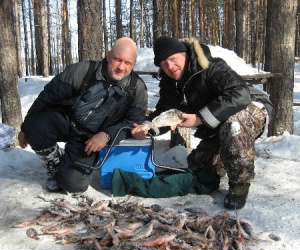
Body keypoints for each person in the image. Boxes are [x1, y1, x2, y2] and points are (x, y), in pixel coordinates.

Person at [132, 36, 272, 210]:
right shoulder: (170, 84)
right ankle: (226, 155)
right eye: (164, 63)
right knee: (198, 169)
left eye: (173, 59)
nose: (170, 66)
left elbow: (240, 95)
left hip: (251, 108)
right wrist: (149, 128)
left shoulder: (211, 66)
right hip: (217, 125)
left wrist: (199, 118)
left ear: (184, 54)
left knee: (234, 124)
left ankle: (240, 184)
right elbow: (164, 113)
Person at [18, 37, 148, 193]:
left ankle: (65, 167)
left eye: (128, 63)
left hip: (89, 138)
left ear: (134, 64)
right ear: (108, 55)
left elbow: (134, 121)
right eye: (117, 60)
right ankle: (54, 162)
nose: (121, 67)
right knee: (34, 127)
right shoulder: (83, 70)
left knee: (74, 186)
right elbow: (47, 96)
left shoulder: (137, 88)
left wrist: (107, 135)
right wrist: (25, 127)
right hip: (65, 120)